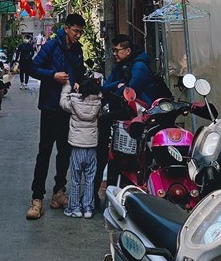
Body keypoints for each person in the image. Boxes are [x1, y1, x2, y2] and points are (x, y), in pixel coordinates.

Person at [25, 13, 86, 220]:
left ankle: (59, 192)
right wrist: (53, 75)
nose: (78, 35)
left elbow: (80, 71)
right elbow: (33, 68)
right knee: (44, 152)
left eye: (81, 32)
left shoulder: (77, 50)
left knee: (65, 152)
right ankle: (37, 199)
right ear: (67, 28)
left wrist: (78, 82)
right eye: (76, 31)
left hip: (68, 109)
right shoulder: (51, 46)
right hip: (51, 107)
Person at [94, 34, 155, 209]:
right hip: (121, 114)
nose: (114, 54)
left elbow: (131, 90)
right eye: (113, 50)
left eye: (117, 50)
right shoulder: (120, 66)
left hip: (138, 115)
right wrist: (118, 85)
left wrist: (119, 86)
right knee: (111, 154)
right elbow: (107, 87)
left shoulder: (139, 67)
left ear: (128, 51)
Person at [59, 77, 102, 219]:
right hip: (91, 147)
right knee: (90, 179)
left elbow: (62, 102)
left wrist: (67, 87)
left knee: (76, 179)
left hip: (77, 147)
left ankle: (75, 208)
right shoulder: (98, 103)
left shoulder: (74, 102)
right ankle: (88, 208)